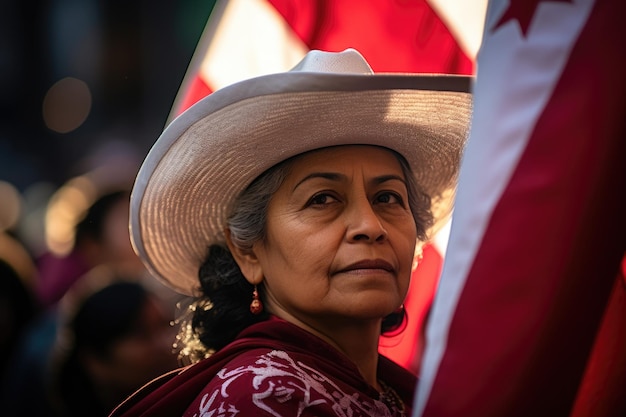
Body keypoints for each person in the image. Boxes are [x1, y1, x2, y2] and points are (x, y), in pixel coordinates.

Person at [110, 48, 472, 416]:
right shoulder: (260, 398)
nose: (370, 226)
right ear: (248, 251)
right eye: (322, 199)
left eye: (387, 197)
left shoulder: (397, 394)